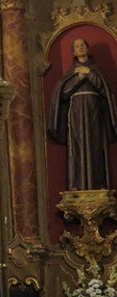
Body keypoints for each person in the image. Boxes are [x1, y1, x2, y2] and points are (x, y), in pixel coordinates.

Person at [48, 38, 117, 190]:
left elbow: (105, 89)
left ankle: (99, 184)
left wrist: (89, 73)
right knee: (77, 146)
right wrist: (78, 79)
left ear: (87, 47)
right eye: (76, 46)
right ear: (73, 52)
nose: (80, 48)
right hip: (76, 112)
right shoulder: (71, 72)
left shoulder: (96, 69)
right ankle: (77, 185)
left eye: (82, 45)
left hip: (94, 110)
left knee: (96, 145)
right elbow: (63, 93)